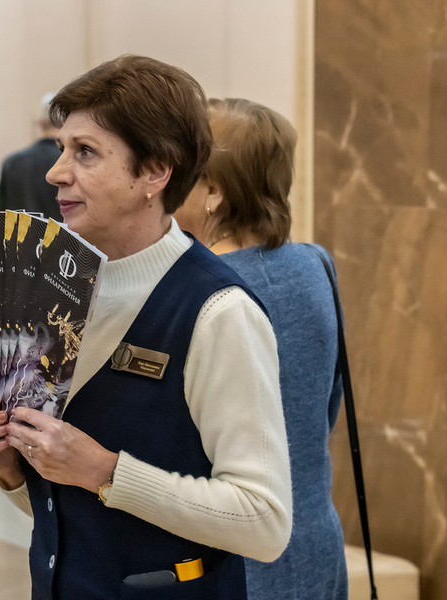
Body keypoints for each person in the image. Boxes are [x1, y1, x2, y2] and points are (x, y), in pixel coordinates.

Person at [0, 55, 293, 599]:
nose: (55, 171)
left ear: (155, 172)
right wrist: (12, 469)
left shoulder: (218, 311)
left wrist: (106, 471)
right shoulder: (59, 291)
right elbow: (75, 513)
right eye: (62, 148)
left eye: (85, 152)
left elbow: (264, 521)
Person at [174, 98, 348, 600]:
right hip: (316, 540)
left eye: (182, 168)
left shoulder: (201, 291)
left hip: (237, 562)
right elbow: (325, 405)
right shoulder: (316, 264)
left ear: (214, 191)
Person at [0, 92, 63, 221]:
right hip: (63, 233)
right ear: (66, 124)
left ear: (41, 123)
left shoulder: (12, 163)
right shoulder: (69, 162)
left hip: (20, 233)